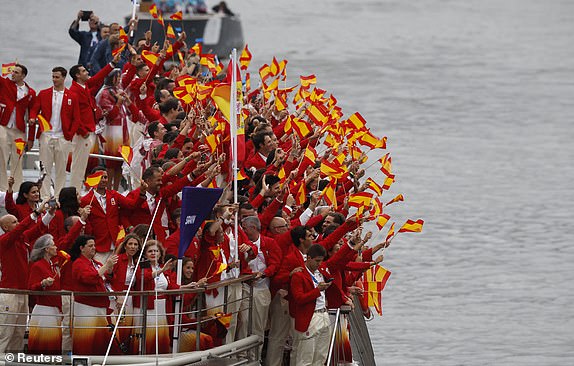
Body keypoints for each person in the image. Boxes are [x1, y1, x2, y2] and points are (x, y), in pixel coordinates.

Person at [0, 203, 56, 353]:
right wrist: (35, 213)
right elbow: (22, 228)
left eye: (17, 221)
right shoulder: (4, 240)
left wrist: (49, 214)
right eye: (14, 222)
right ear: (5, 227)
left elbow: (37, 229)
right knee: (6, 332)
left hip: (22, 291)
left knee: (18, 333)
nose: (18, 223)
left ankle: (12, 361)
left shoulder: (22, 238)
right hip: (9, 291)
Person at [68, 52, 118, 191]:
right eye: (83, 71)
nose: (87, 72)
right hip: (82, 133)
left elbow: (98, 78)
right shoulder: (75, 91)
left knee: (82, 164)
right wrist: (83, 132)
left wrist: (112, 64)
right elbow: (74, 115)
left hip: (89, 131)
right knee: (78, 165)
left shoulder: (83, 86)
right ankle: (75, 190)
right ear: (78, 75)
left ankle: (77, 190)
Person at [29, 66, 81, 200]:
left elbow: (76, 119)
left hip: (63, 137)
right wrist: (33, 118)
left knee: (61, 169)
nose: (54, 79)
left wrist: (69, 135)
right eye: (53, 76)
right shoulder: (43, 93)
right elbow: (34, 109)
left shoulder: (72, 96)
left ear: (64, 78)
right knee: (44, 168)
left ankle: (58, 197)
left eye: (57, 77)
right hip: (46, 136)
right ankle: (45, 195)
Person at [81, 167, 145, 263]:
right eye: (100, 177)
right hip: (98, 247)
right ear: (93, 178)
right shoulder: (86, 200)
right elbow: (87, 224)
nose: (103, 180)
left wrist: (142, 192)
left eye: (105, 177)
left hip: (116, 245)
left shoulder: (114, 195)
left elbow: (131, 205)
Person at [238, 216, 281, 357]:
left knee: (258, 326)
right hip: (244, 287)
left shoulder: (269, 243)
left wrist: (263, 274)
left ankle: (254, 358)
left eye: (244, 228)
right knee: (243, 323)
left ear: (254, 228)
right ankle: (241, 356)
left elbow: (275, 264)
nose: (242, 231)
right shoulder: (240, 243)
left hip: (261, 289)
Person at [70, 235, 118, 355]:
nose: (94, 248)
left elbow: (107, 278)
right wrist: (106, 266)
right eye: (90, 246)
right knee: (85, 341)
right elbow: (89, 278)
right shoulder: (78, 263)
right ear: (81, 248)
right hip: (87, 306)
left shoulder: (95, 262)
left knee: (100, 341)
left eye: (94, 245)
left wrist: (110, 270)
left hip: (100, 306)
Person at [96, 68, 143, 189]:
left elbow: (128, 79)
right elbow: (110, 115)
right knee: (111, 164)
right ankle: (108, 189)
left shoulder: (118, 89)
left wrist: (134, 65)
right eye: (117, 77)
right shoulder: (104, 94)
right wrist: (118, 103)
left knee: (120, 162)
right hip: (112, 130)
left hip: (123, 128)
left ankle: (116, 190)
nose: (119, 80)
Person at [289, 244, 332, 366]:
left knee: (321, 357)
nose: (319, 264)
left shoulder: (321, 273)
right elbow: (299, 298)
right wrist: (317, 291)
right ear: (308, 258)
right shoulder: (299, 275)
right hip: (310, 318)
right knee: (305, 358)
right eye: (317, 261)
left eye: (321, 261)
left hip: (324, 314)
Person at [0, 63, 36, 191]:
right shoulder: (5, 84)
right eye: (12, 71)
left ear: (23, 76)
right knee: (2, 157)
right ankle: (3, 189)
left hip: (19, 129)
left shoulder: (30, 92)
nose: (12, 74)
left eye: (16, 72)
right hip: (3, 125)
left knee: (17, 161)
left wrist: (31, 138)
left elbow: (33, 112)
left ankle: (16, 189)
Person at [27, 234, 62, 355]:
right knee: (45, 344)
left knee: (54, 343)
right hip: (44, 309)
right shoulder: (38, 266)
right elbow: (31, 288)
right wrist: (42, 283)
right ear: (47, 249)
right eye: (53, 245)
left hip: (54, 308)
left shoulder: (52, 265)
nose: (56, 247)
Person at [109, 234, 143, 354]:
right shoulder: (118, 259)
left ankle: (126, 351)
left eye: (135, 244)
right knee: (119, 325)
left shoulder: (137, 262)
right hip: (119, 297)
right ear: (125, 246)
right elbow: (108, 279)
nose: (133, 247)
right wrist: (117, 295)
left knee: (128, 326)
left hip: (131, 298)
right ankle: (116, 352)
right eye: (130, 244)